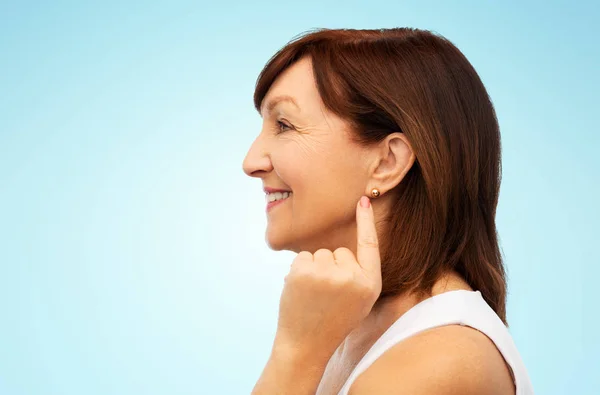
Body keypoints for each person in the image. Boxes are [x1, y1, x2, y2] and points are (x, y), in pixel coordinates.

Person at [242, 27, 534, 395]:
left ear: (388, 162)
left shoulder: (440, 361)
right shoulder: (355, 330)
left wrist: (295, 355)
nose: (250, 162)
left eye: (284, 125)